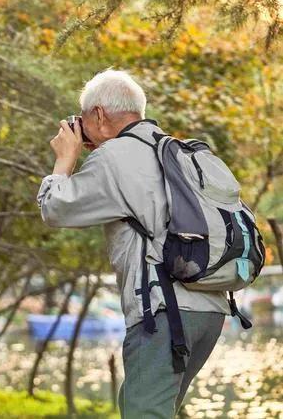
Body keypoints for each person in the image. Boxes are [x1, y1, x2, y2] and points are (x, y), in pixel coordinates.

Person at [36, 69, 228, 417]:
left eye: (82, 118)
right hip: (210, 310)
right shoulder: (178, 151)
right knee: (139, 405)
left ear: (98, 115)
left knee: (143, 412)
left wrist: (66, 158)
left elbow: (55, 209)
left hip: (164, 310)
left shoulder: (113, 159)